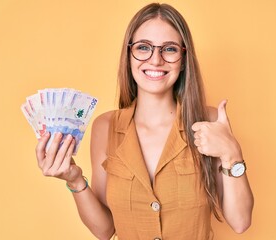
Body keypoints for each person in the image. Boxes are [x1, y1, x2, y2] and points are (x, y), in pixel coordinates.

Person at [35, 3, 254, 240]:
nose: (155, 60)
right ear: (129, 55)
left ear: (183, 58)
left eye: (169, 49)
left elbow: (240, 221)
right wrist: (75, 180)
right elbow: (105, 229)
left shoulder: (209, 121)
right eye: (143, 47)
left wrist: (232, 153)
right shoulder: (105, 127)